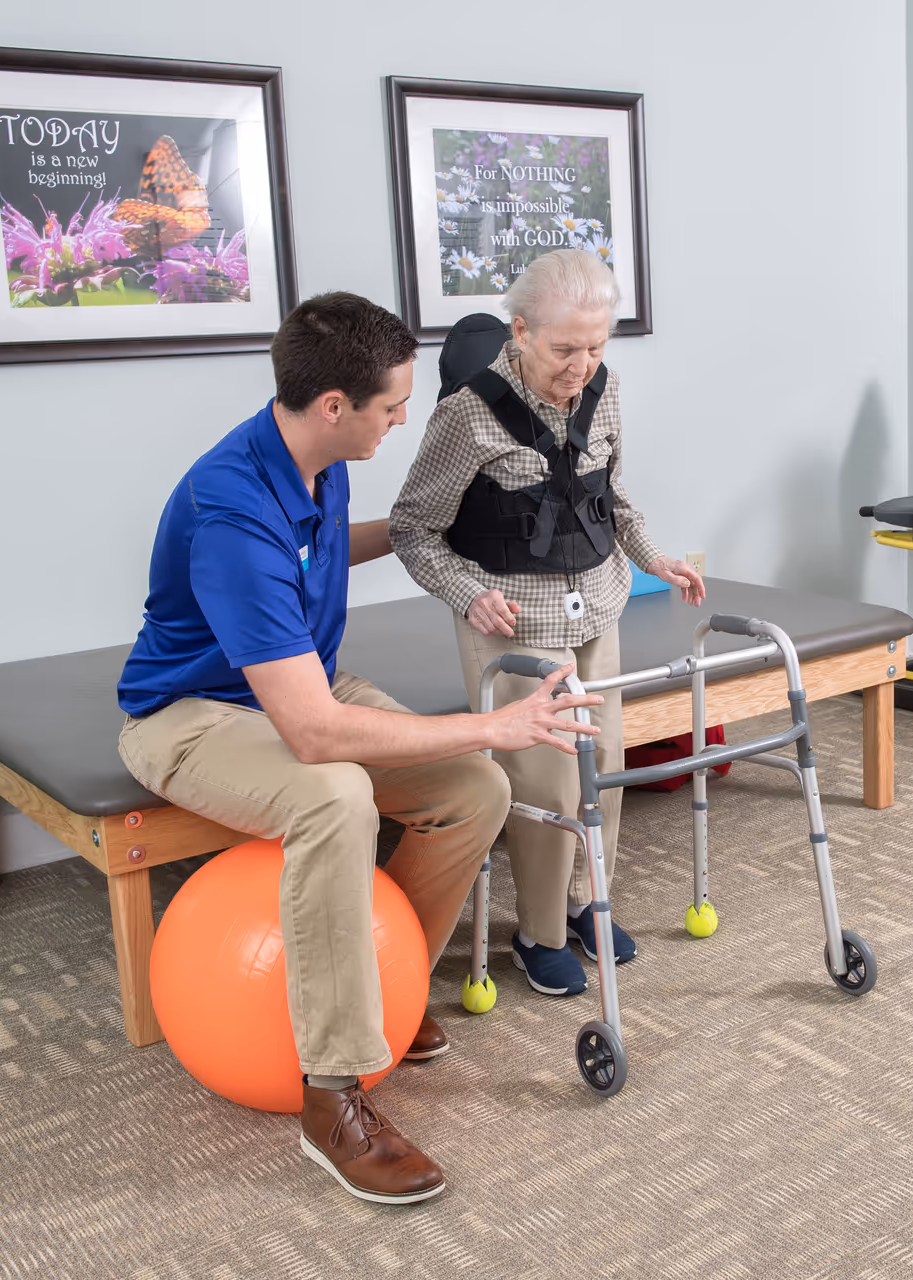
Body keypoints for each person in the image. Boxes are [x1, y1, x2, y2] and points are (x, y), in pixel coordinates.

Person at [115, 292, 603, 1206]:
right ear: (334, 405)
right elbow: (311, 733)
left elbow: (318, 550)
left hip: (296, 682)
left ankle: (392, 989)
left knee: (473, 788)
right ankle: (334, 1095)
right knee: (334, 792)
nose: (403, 418)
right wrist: (495, 721)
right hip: (189, 716)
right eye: (391, 406)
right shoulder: (230, 506)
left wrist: (435, 535)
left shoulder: (316, 457)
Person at [390, 249, 704, 998]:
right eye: (565, 349)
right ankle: (537, 932)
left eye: (597, 347)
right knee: (551, 782)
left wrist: (656, 558)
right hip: (513, 619)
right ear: (521, 331)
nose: (582, 365)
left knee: (611, 764)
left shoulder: (606, 388)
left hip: (598, 603)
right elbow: (412, 528)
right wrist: (466, 595)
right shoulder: (466, 414)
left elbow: (611, 498)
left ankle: (584, 906)